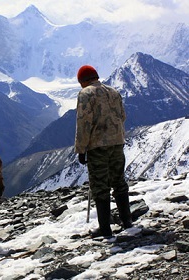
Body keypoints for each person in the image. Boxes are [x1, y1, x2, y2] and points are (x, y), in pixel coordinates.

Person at [75, 65, 133, 238]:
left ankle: (105, 229)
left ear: (83, 81)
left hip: (97, 146)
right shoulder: (113, 91)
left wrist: (81, 149)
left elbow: (83, 123)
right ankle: (127, 221)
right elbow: (123, 116)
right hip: (117, 142)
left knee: (100, 186)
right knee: (119, 181)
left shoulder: (86, 94)